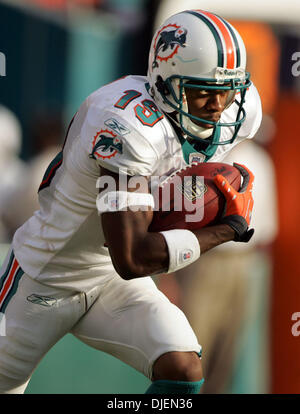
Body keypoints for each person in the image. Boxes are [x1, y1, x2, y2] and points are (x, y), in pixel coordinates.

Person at [0, 9, 262, 394]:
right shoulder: (127, 125)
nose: (217, 106)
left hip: (107, 280)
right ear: (165, 83)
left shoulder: (236, 112)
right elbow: (133, 257)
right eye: (203, 91)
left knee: (182, 367)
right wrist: (224, 229)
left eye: (226, 91)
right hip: (47, 274)